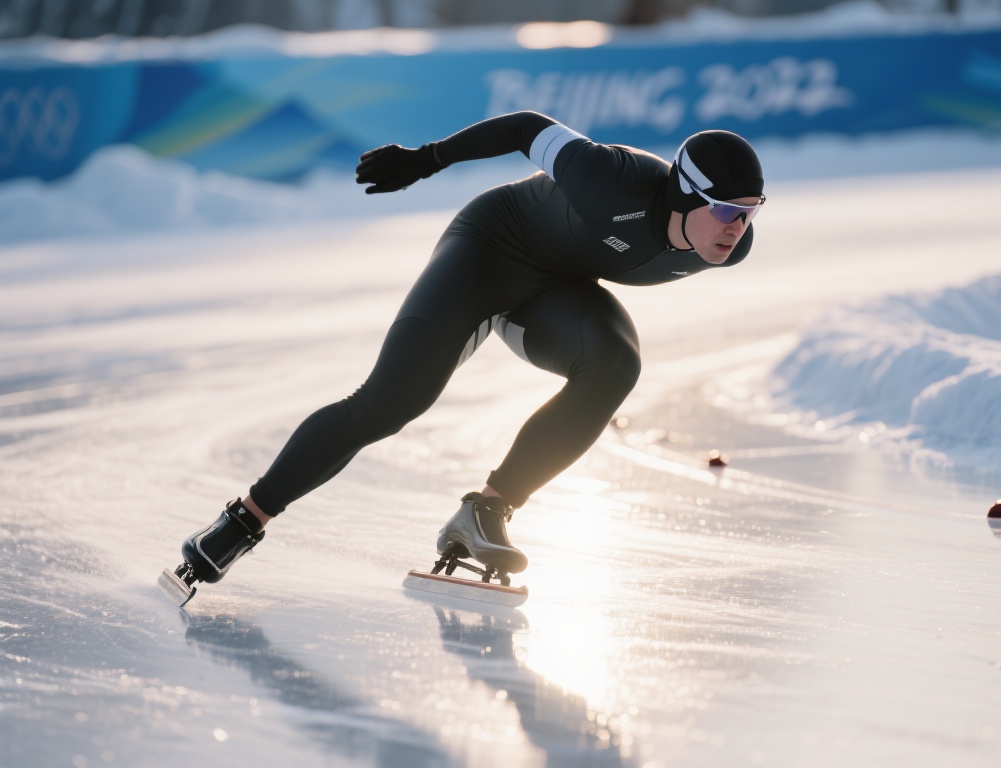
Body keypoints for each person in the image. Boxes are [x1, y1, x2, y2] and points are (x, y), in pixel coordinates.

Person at [170, 110, 765, 591]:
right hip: (488, 250)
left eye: (748, 214)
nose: (735, 228)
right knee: (388, 403)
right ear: (684, 194)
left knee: (615, 366)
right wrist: (426, 159)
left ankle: (487, 510)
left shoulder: (728, 244)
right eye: (724, 211)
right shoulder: (611, 178)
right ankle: (242, 520)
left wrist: (731, 217)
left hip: (556, 289)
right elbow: (525, 127)